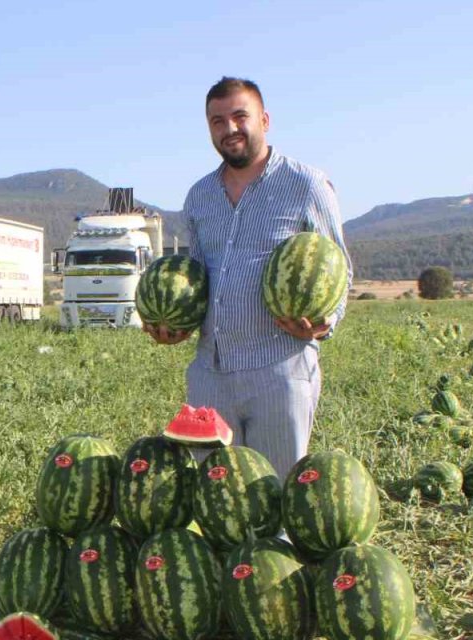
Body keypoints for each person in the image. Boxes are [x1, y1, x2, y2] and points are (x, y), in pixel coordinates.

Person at [144, 77, 352, 480]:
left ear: (265, 119)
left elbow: (337, 266)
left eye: (241, 117)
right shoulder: (199, 196)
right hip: (210, 373)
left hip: (278, 367)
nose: (230, 129)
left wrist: (326, 323)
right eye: (218, 121)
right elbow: (197, 275)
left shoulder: (306, 184)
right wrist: (176, 323)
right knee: (216, 501)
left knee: (275, 498)